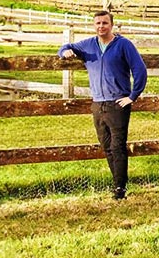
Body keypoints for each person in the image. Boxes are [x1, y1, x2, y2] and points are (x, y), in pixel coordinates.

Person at [59, 11, 148, 200]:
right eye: (98, 23)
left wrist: (133, 96)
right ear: (94, 25)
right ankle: (117, 184)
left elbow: (139, 69)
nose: (101, 26)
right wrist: (64, 51)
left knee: (117, 146)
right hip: (97, 103)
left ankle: (120, 188)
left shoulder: (123, 45)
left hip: (117, 103)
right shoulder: (88, 45)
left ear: (112, 25)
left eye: (105, 23)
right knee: (106, 146)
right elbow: (67, 46)